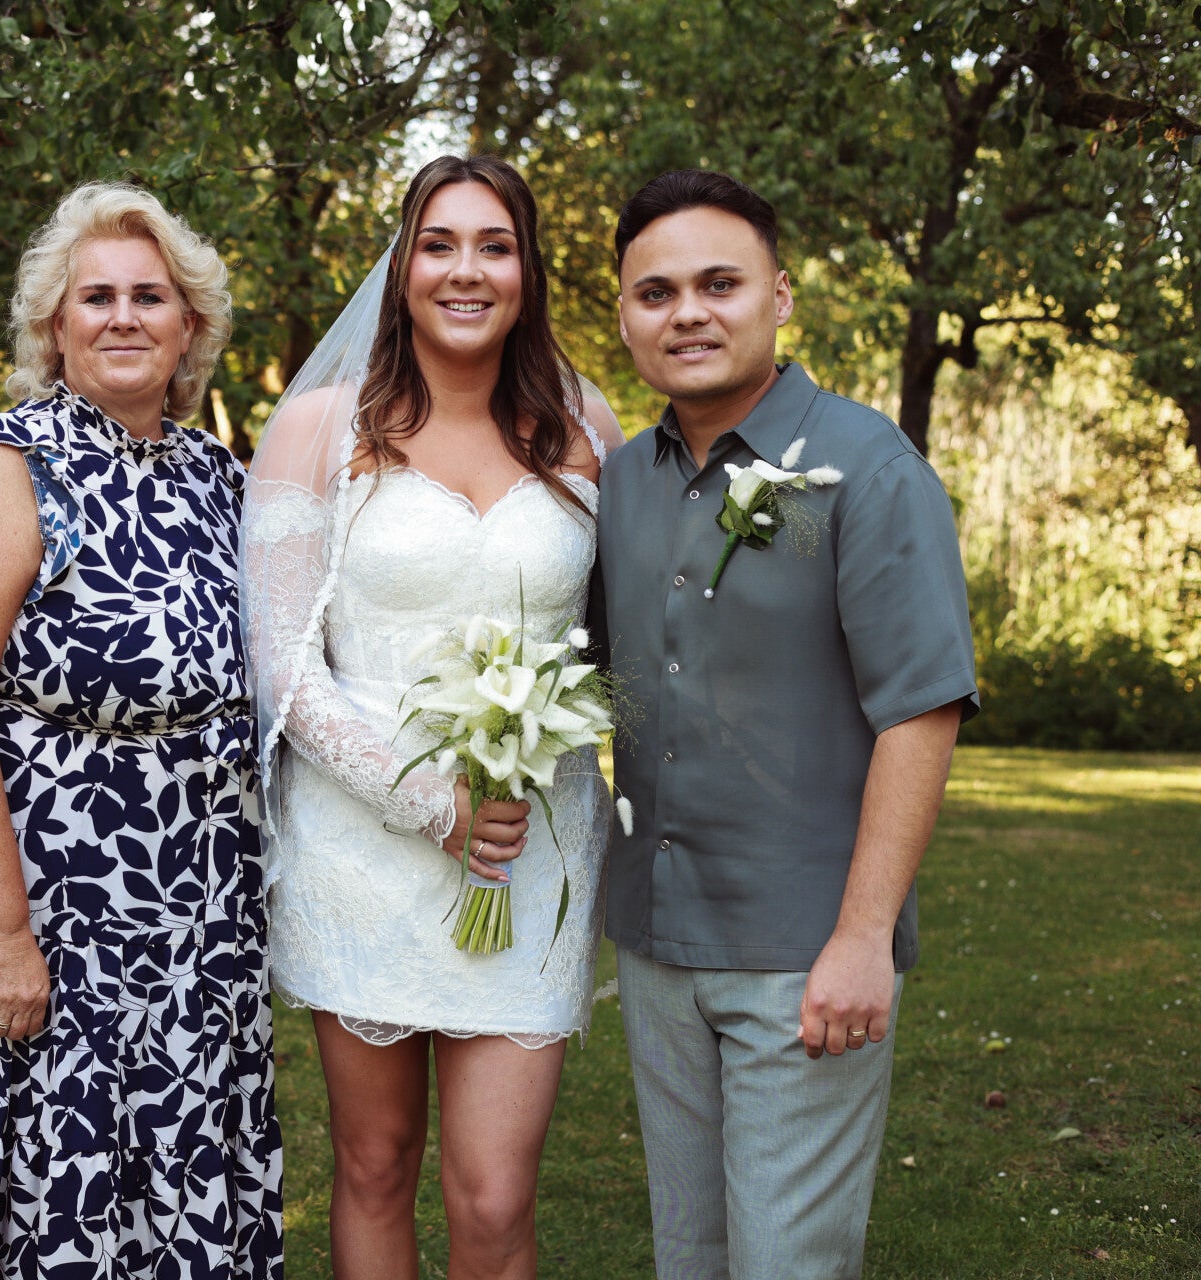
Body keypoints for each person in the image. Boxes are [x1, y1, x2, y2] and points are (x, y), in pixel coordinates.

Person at [0, 182, 281, 1279]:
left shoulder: (221, 480)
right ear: (54, 325)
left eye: (150, 296)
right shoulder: (2, 462)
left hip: (194, 933)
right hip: (46, 918)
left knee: (170, 1191)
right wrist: (3, 936)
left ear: (191, 326)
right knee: (39, 1193)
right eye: (97, 297)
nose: (124, 316)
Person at [241, 155, 626, 1280]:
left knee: (495, 1194)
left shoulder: (584, 424)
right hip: (364, 844)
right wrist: (428, 803)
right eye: (440, 243)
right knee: (374, 1163)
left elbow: (623, 631)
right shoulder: (320, 427)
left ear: (527, 269)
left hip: (531, 846)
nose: (467, 270)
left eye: (494, 246)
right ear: (401, 266)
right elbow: (282, 662)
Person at [597, 169, 978, 1279]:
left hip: (804, 950)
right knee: (691, 1256)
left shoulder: (868, 469)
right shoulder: (622, 482)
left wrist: (864, 936)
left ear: (781, 294)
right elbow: (609, 682)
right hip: (658, 944)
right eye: (657, 292)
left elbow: (922, 710)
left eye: (719, 284)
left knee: (785, 1264)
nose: (688, 313)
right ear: (624, 315)